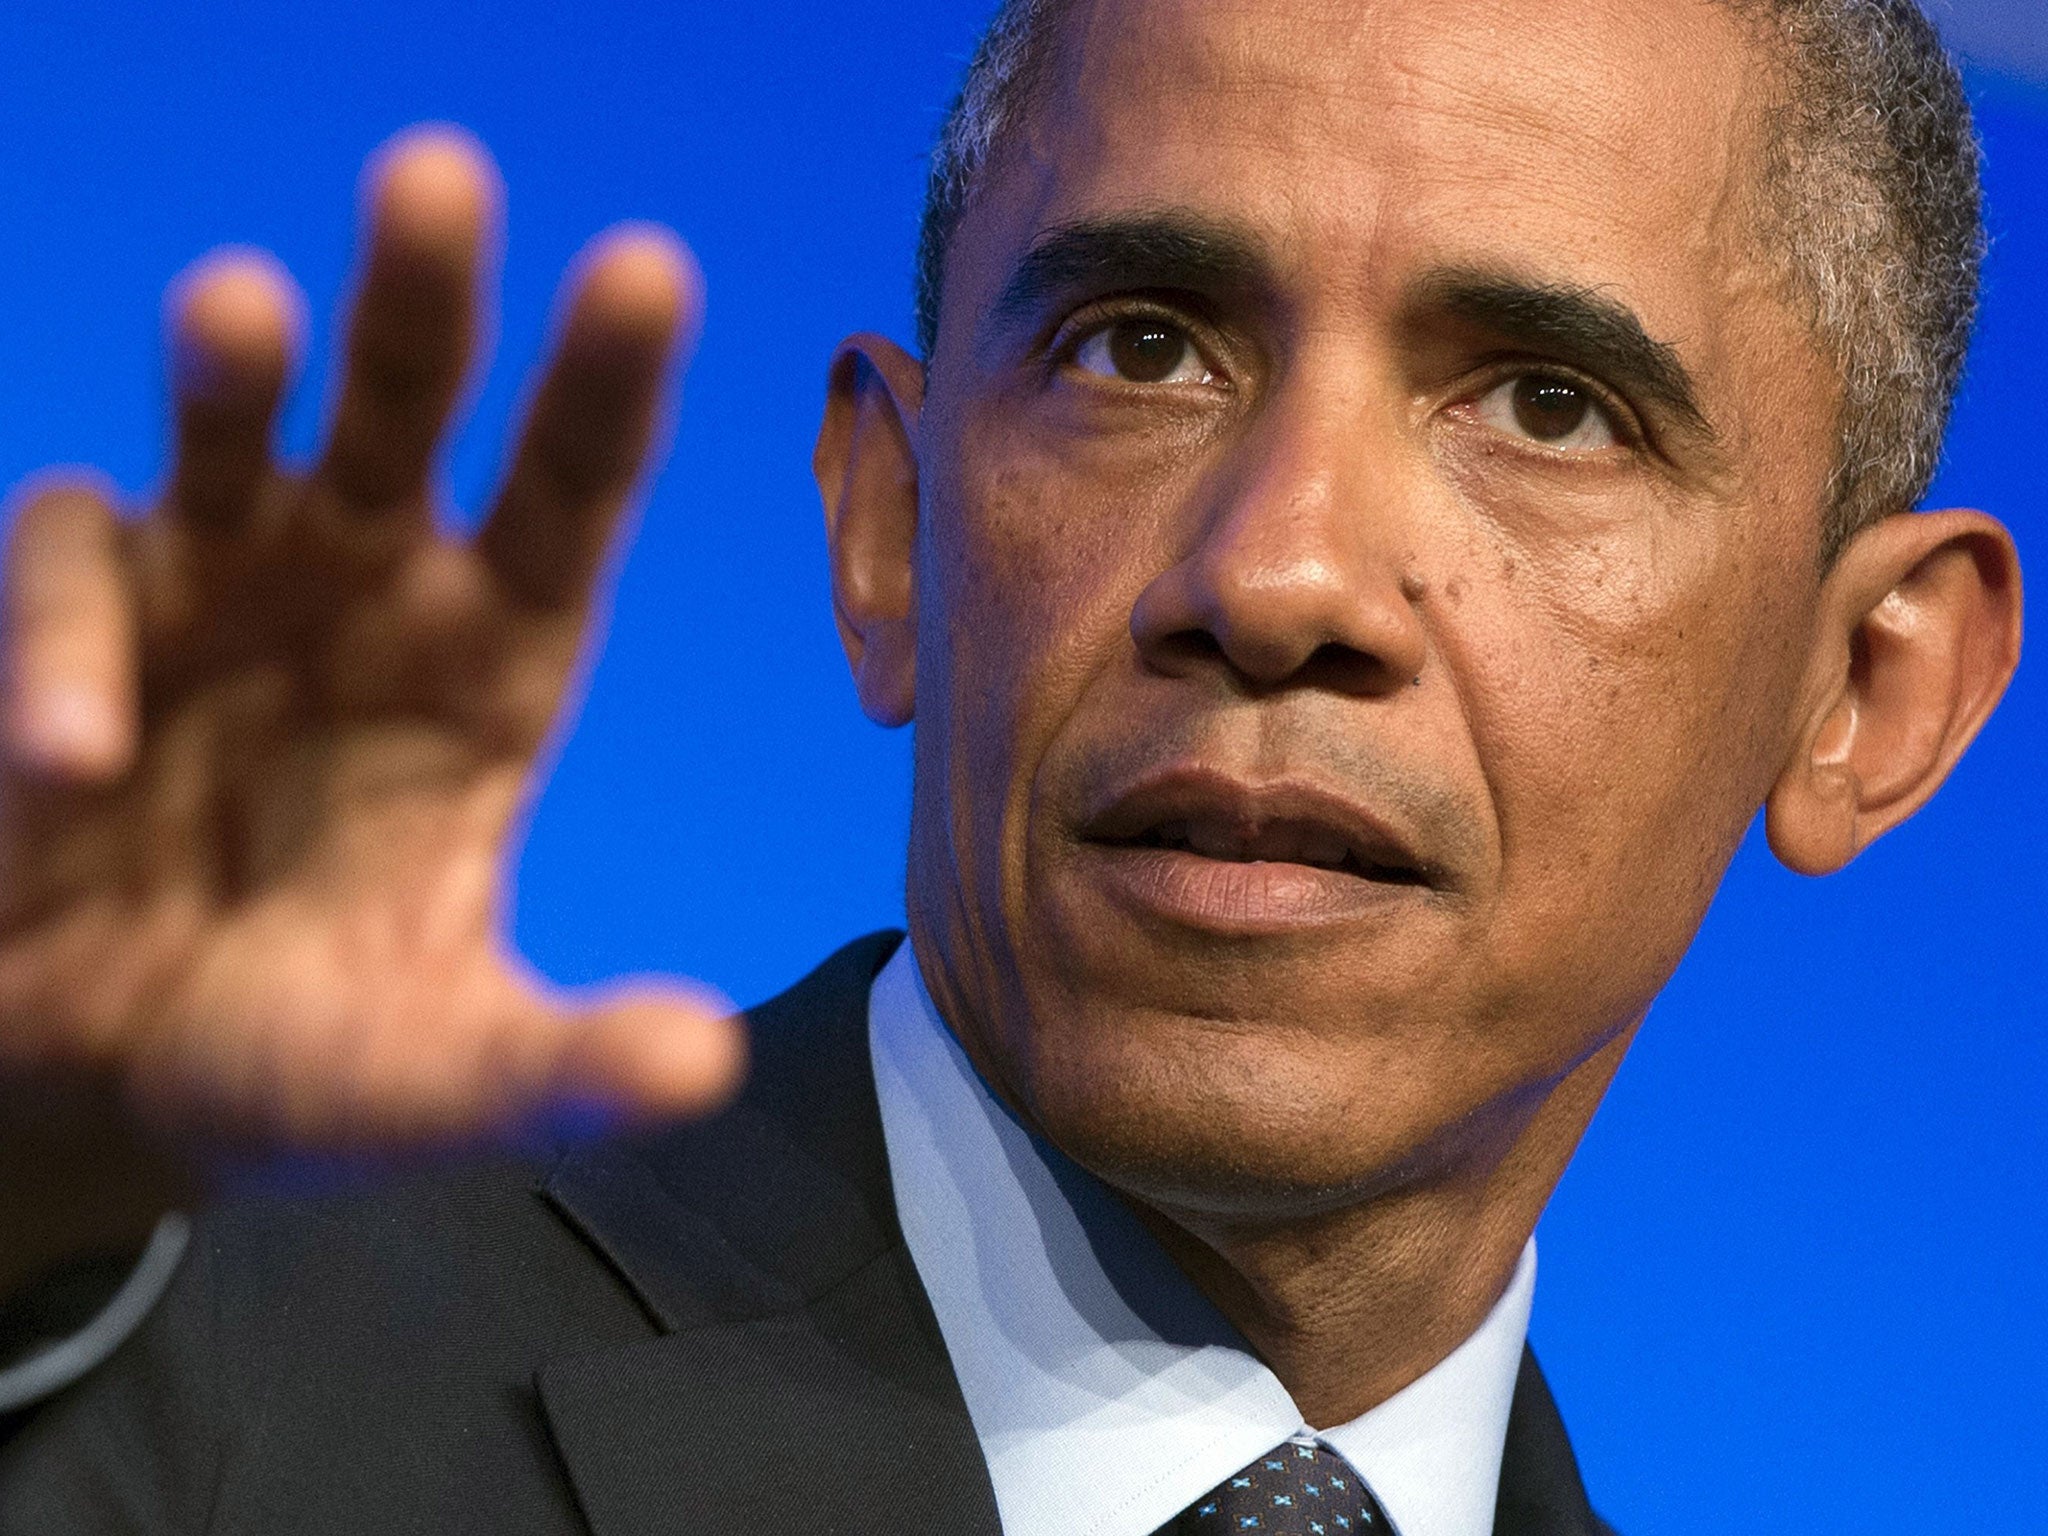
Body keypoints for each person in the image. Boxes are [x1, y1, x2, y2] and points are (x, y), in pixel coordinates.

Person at [0, 0, 2023, 1530]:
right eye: (1139, 349)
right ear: (887, 531)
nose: (1279, 571)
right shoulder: (171, 1391)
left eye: (1551, 407)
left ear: (1865, 687)